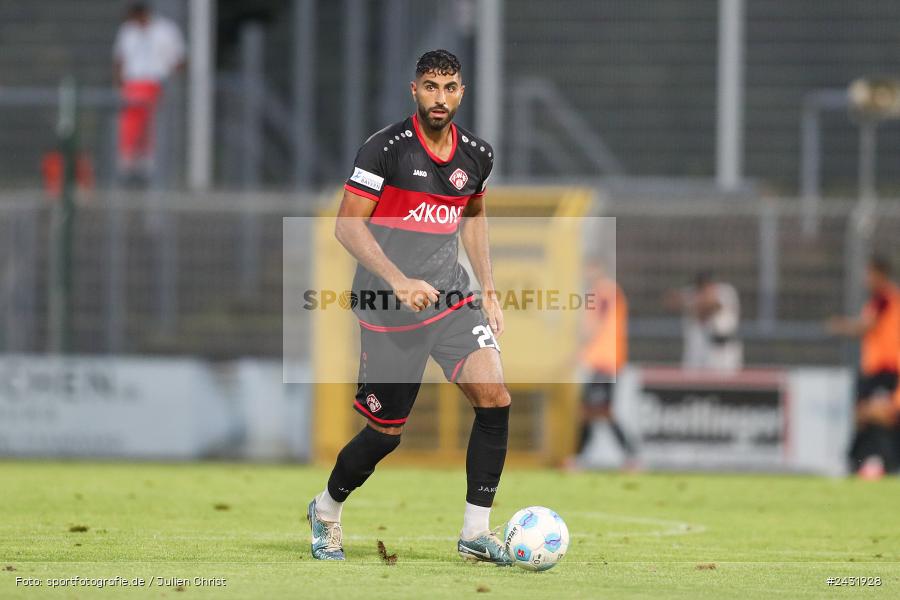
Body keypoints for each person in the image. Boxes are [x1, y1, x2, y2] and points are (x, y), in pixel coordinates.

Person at [307, 50, 510, 564]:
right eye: (429, 87)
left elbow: (474, 217)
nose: (439, 98)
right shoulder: (384, 151)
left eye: (449, 87)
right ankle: (327, 510)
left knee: (495, 398)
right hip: (387, 308)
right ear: (413, 90)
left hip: (451, 297)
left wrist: (487, 287)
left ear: (462, 92)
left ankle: (475, 532)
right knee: (385, 435)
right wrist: (396, 280)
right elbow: (347, 224)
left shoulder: (477, 156)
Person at [827, 256, 900, 477]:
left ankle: (882, 463)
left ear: (880, 274)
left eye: (869, 274)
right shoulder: (878, 301)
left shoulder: (885, 299)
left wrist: (841, 326)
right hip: (872, 371)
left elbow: (866, 327)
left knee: (881, 415)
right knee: (863, 416)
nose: (866, 279)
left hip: (886, 369)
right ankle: (856, 463)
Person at [570, 259, 636, 468]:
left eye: (590, 268)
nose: (586, 273)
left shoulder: (605, 292)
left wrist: (577, 349)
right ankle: (580, 457)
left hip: (606, 361)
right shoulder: (602, 291)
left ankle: (630, 456)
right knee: (589, 411)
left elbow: (596, 324)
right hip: (600, 361)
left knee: (600, 411)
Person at [112, 3, 185, 183]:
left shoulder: (166, 30)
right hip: (132, 82)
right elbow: (120, 59)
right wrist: (119, 83)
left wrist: (169, 75)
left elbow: (179, 58)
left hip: (156, 82)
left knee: (148, 116)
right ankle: (130, 155)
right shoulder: (127, 31)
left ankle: (146, 154)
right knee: (132, 116)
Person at [663, 272, 743, 372]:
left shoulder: (725, 292)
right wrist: (687, 301)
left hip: (723, 354)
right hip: (697, 354)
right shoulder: (693, 294)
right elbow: (670, 301)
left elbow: (712, 305)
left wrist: (692, 304)